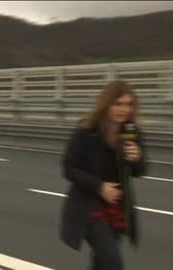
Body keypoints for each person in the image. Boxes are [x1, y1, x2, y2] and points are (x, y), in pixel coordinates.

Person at [60, 80, 147, 270]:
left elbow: (140, 171)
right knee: (112, 261)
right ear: (106, 104)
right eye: (118, 104)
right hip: (90, 207)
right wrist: (99, 187)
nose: (124, 110)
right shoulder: (86, 131)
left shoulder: (132, 132)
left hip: (117, 208)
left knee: (102, 263)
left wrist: (137, 158)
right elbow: (68, 168)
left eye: (128, 104)